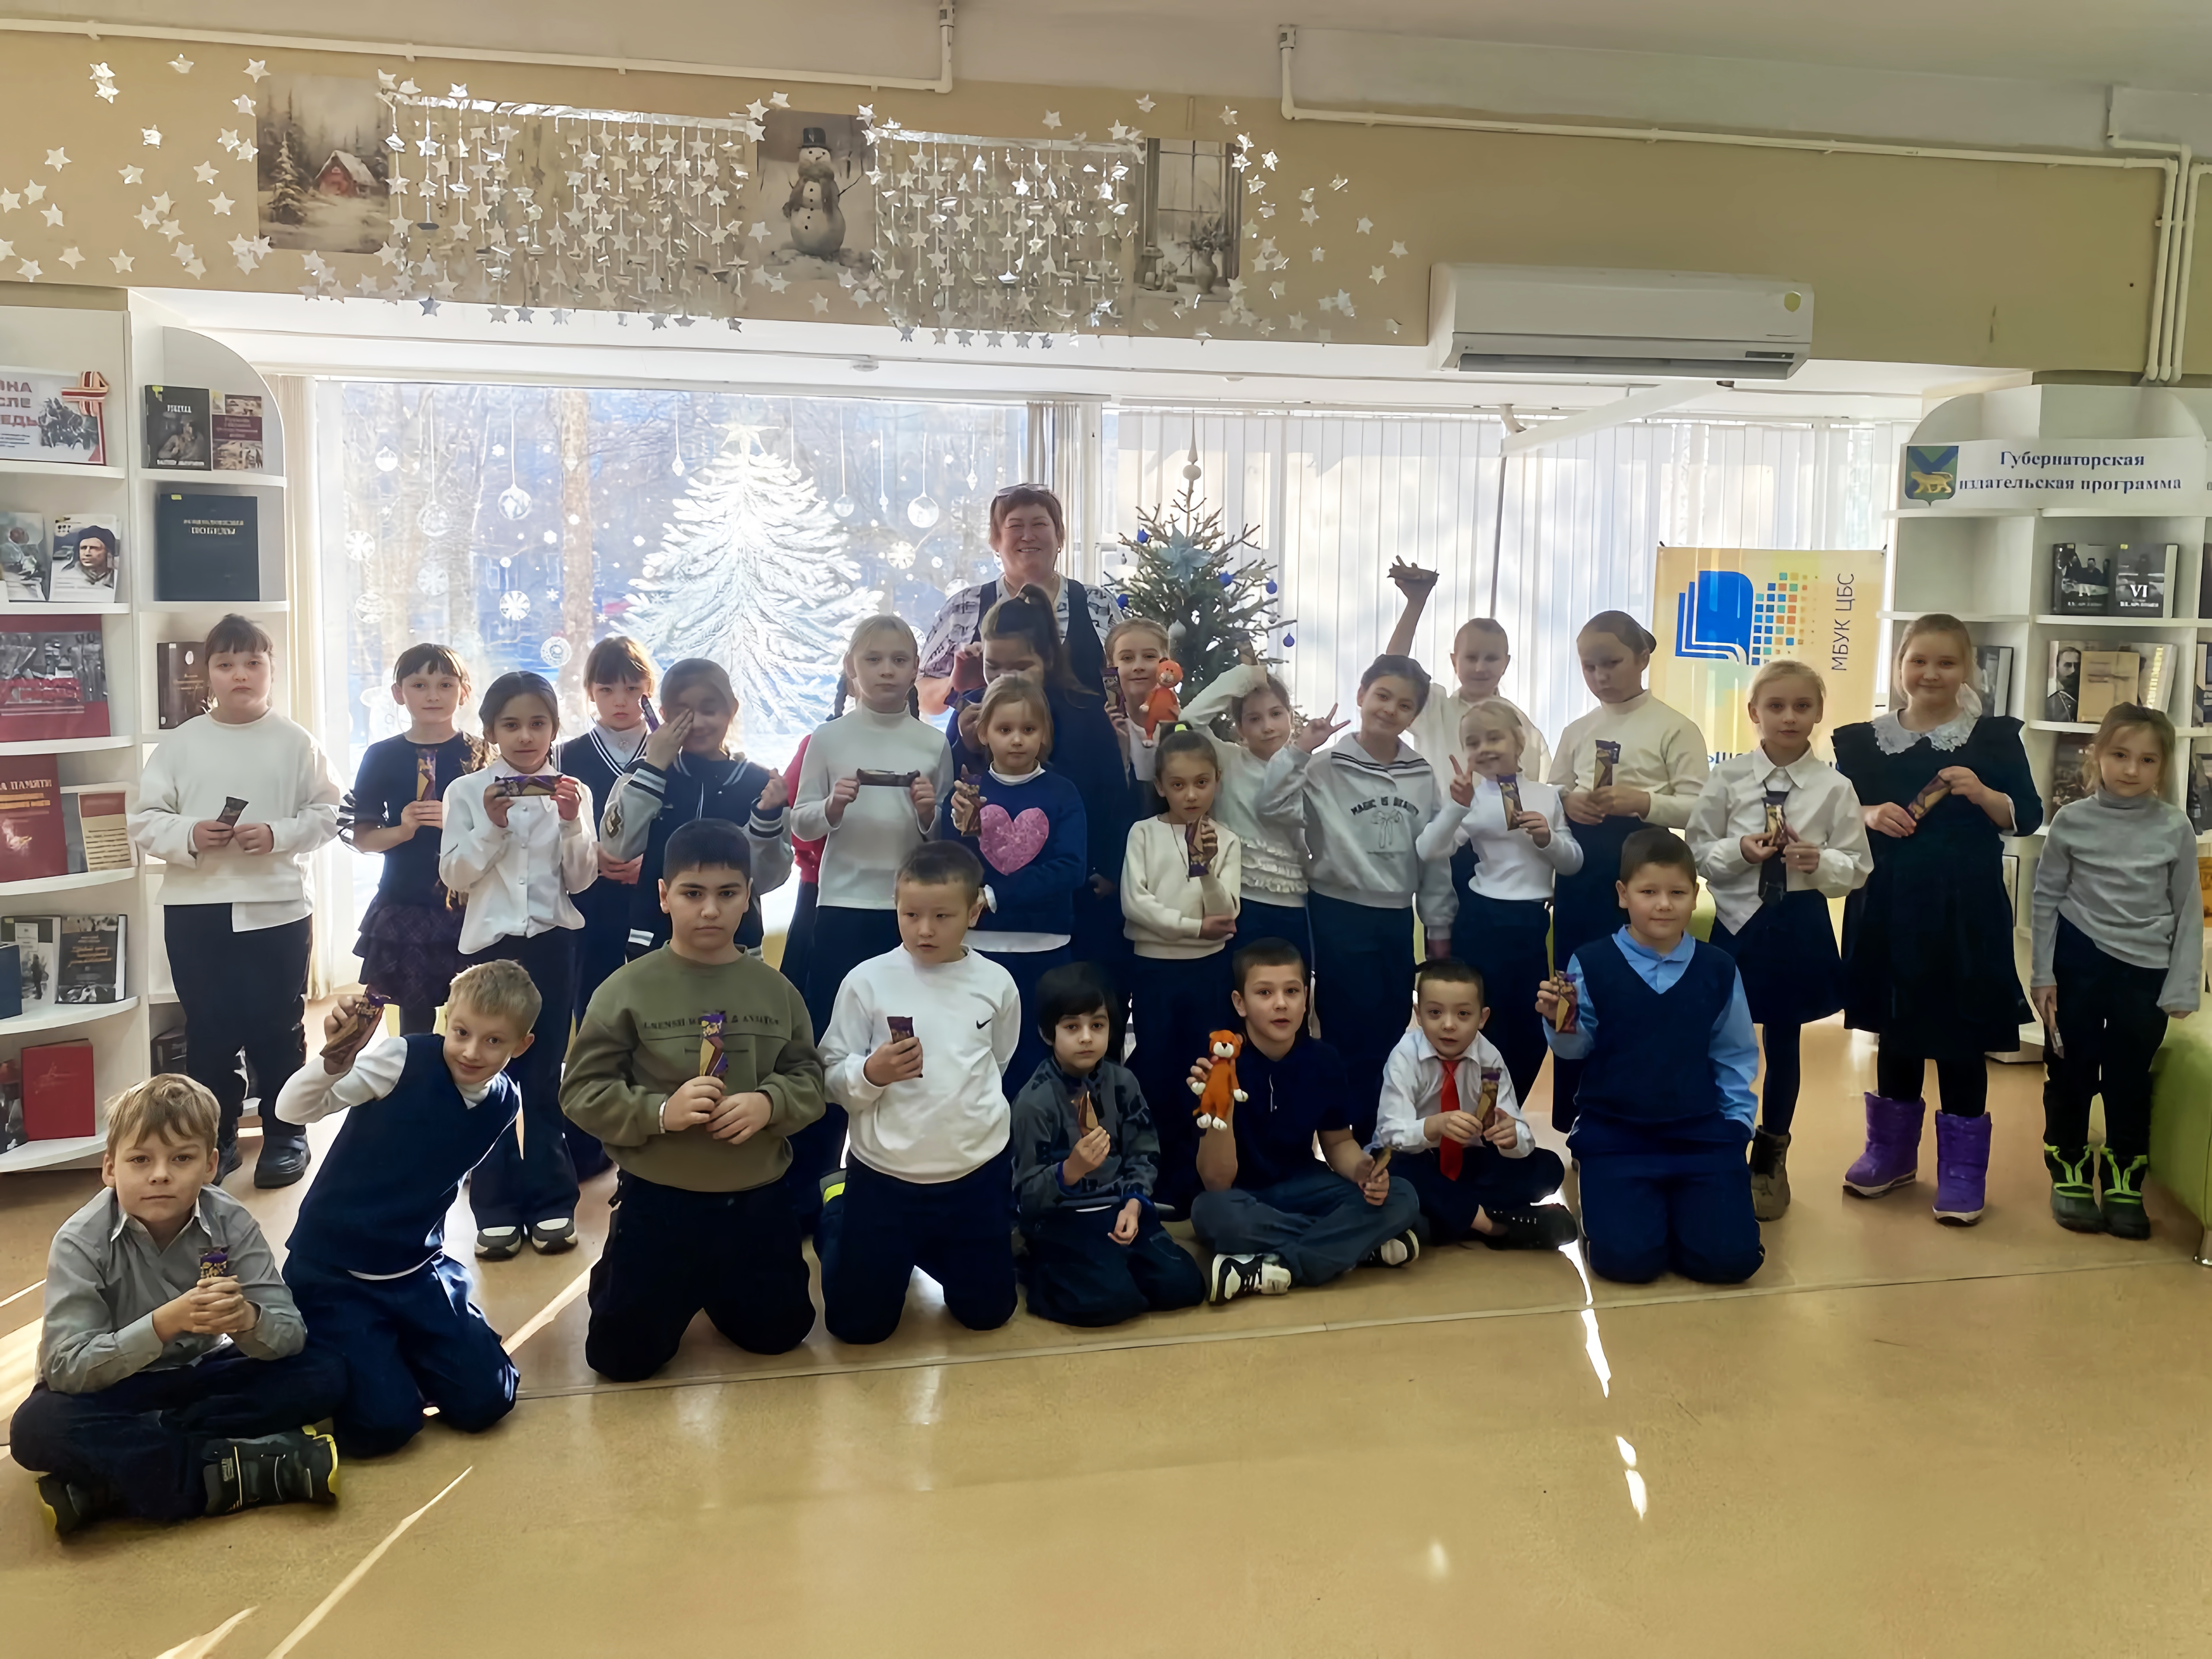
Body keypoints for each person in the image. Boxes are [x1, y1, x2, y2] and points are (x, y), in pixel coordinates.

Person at [10, 1075, 344, 1534]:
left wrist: (247, 1320)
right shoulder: (80, 1241)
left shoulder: (231, 1222)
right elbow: (67, 1368)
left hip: (199, 1376)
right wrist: (163, 1324)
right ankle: (241, 1469)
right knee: (36, 1427)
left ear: (210, 1165)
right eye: (140, 1160)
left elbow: (289, 1333)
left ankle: (111, 1479)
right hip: (115, 1387)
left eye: (182, 1158)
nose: (160, 1175)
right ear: (110, 1169)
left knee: (323, 1373)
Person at [561, 819, 826, 1379]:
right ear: (664, 896)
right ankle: (627, 1269)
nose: (710, 910)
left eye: (727, 894)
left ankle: (714, 1283)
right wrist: (659, 1112)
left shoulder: (776, 991)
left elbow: (809, 1079)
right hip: (661, 1200)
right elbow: (581, 1091)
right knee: (621, 1360)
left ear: (748, 897)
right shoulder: (626, 989)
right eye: (692, 894)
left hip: (754, 1198)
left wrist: (770, 1104)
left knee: (780, 1334)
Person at [275, 962, 536, 1457]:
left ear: (521, 1045)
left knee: (490, 1399)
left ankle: (402, 1348)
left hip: (415, 1268)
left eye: (493, 1041)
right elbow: (291, 1111)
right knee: (385, 1426)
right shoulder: (402, 1060)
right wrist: (334, 1062)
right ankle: (367, 1351)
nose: (471, 1052)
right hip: (335, 1270)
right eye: (462, 1033)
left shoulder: (504, 1102)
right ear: (445, 1021)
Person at [1834, 613, 2041, 1226]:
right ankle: (1891, 1153)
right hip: (1888, 903)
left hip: (1965, 909)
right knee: (1895, 1030)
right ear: (1899, 665)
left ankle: (1962, 1171)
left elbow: (2027, 815)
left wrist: (1982, 793)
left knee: (1960, 1037)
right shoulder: (1860, 741)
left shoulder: (1994, 738)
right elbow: (1832, 813)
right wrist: (1869, 814)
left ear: (1967, 669)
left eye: (1946, 663)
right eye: (1918, 661)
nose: (1931, 673)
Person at [127, 613, 343, 1189]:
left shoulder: (297, 742)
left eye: (253, 663)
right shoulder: (180, 744)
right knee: (210, 1031)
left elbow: (330, 814)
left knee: (279, 1027)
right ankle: (215, 1140)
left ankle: (286, 1132)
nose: (240, 675)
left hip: (278, 907)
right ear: (208, 675)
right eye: (226, 664)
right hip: (197, 908)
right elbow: (145, 820)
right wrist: (190, 834)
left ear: (272, 669)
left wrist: (278, 834)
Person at [1684, 660, 1873, 1220]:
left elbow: (1857, 868)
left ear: (1818, 713)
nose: (1789, 717)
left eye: (1801, 706)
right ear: (1754, 713)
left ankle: (1770, 1159)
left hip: (1798, 922)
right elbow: (1697, 850)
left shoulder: (1835, 788)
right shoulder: (1727, 779)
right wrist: (1739, 851)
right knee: (1717, 1038)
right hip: (1735, 924)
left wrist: (1819, 861)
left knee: (1784, 1042)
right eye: (1776, 706)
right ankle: (1715, 1147)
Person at [815, 842, 1023, 1344]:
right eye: (910, 915)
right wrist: (871, 1073)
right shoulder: (866, 981)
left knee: (988, 1315)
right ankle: (838, 1211)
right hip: (883, 1178)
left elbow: (998, 1062)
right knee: (856, 1329)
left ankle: (927, 1248)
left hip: (974, 1175)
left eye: (942, 916)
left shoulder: (996, 983)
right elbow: (828, 1074)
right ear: (895, 907)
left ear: (974, 912)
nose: (924, 930)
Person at [1538, 830, 1764, 1286]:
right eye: (1648, 893)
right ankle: (1623, 1210)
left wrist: (1736, 1127)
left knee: (1730, 1262)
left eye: (1677, 893)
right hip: (1616, 1134)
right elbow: (1575, 1050)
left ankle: (1688, 1213)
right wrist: (1560, 1024)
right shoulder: (1590, 962)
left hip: (1701, 1134)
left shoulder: (1718, 968)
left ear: (1695, 895)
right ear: (1623, 895)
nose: (1663, 905)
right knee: (1626, 1263)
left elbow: (1734, 1052)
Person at [789, 616, 950, 1226]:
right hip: (840, 910)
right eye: (874, 660)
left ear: (915, 670)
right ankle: (812, 1186)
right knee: (837, 1045)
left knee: (905, 1042)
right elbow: (800, 821)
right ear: (851, 670)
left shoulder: (932, 744)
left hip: (910, 918)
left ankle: (902, 1182)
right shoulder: (829, 739)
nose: (886, 671)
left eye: (899, 660)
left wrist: (930, 814)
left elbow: (943, 840)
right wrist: (831, 807)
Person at [438, 670, 598, 1259]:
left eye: (538, 724)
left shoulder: (573, 791)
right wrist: (492, 824)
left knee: (544, 1077)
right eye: (511, 725)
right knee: (485, 1076)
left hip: (553, 945)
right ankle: (495, 1206)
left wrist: (573, 821)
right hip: (488, 950)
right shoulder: (466, 792)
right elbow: (455, 875)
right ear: (491, 731)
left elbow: (582, 880)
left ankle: (552, 1200)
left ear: (555, 728)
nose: (525, 736)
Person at [2030, 704, 2201, 1238]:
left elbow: (2187, 909)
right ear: (2097, 756)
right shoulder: (2070, 820)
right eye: (2120, 755)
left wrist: (2182, 984)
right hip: (2078, 960)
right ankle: (2069, 1171)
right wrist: (2041, 975)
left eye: (2146, 760)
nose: (2131, 769)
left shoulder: (2174, 826)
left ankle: (2125, 1181)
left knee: (2129, 1078)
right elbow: (2044, 899)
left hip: (2144, 969)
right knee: (2071, 1071)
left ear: (2162, 767)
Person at [1545, 611, 1710, 1132]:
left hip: (1645, 872)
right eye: (1588, 666)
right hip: (1581, 872)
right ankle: (1576, 1118)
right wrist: (1567, 800)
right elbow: (1549, 791)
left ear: (1641, 658)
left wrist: (1643, 802)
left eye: (1611, 663)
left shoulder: (1674, 727)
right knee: (1576, 985)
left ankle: (1638, 1114)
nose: (1599, 676)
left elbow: (1700, 805)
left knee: (1634, 989)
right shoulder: (1577, 729)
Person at [1189, 939, 1423, 1302]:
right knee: (1210, 1212)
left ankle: (1275, 1267)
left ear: (1306, 999)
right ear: (1240, 1003)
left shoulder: (1323, 1059)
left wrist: (1363, 1171)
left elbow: (1338, 1143)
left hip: (1307, 1186)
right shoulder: (1220, 1065)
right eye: (1265, 993)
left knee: (1402, 1196)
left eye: (1292, 991)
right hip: (1246, 1196)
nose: (1281, 1004)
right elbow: (1217, 1181)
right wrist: (1221, 1106)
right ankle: (1355, 1247)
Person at [944, 583, 1132, 991]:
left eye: (1021, 667)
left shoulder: (1084, 711)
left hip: (1072, 894)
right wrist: (965, 745)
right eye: (994, 667)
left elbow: (1114, 797)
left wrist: (1111, 869)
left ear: (1047, 657)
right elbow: (955, 804)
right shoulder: (972, 711)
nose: (1005, 679)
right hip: (988, 913)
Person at [1302, 653, 1457, 1141]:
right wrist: (1295, 749)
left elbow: (1434, 854)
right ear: (1361, 696)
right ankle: (1337, 1139)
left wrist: (1438, 925)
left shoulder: (1421, 774)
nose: (1390, 710)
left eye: (1404, 705)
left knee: (1390, 1025)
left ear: (1414, 716)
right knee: (1343, 1028)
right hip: (1337, 911)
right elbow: (1277, 813)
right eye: (1382, 697)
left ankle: (1378, 1138)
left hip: (1394, 917)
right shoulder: (1323, 766)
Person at [1009, 962, 1206, 1326]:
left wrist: (1134, 1203)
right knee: (1111, 1302)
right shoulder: (1034, 1102)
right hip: (1063, 1220)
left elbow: (1144, 1152)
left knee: (1184, 1287)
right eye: (1072, 1027)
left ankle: (1113, 1266)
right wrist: (1070, 1171)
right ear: (1048, 1033)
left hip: (1120, 1209)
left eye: (1097, 1026)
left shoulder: (1123, 1083)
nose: (1087, 1038)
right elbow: (1027, 1196)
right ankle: (1037, 1268)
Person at [1414, 697, 1582, 1106]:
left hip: (1531, 924)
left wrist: (1548, 839)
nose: (1485, 748)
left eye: (1495, 738)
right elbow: (1428, 849)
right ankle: (1469, 1114)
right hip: (1481, 920)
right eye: (1473, 743)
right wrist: (1456, 807)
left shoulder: (1548, 797)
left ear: (1519, 742)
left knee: (1527, 1027)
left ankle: (1505, 1114)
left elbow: (1573, 863)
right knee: (1475, 1022)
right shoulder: (1469, 798)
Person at [939, 674, 1087, 1087]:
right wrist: (957, 828)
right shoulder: (966, 794)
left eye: (1029, 729)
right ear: (984, 732)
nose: (1017, 740)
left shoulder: (1063, 793)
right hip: (978, 950)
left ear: (1045, 734)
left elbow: (1071, 868)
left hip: (1046, 950)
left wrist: (993, 894)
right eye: (1005, 730)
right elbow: (950, 869)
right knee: (977, 1066)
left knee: (1041, 1070)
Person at [1372, 958, 1576, 1248]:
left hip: (1470, 1163)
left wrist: (1511, 1136)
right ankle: (1492, 1226)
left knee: (1549, 1168)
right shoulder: (1405, 1057)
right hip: (1421, 1160)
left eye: (1463, 1014)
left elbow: (1519, 1133)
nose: (1448, 1025)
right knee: (1390, 1168)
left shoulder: (1488, 1059)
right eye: (1435, 1013)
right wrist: (1433, 1127)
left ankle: (1444, 1218)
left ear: (1482, 1018)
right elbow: (1390, 1134)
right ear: (1418, 1014)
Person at [599, 656, 794, 959]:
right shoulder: (642, 774)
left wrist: (766, 819)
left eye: (709, 710)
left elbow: (767, 880)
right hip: (655, 944)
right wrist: (654, 768)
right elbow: (618, 847)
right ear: (663, 715)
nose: (698, 723)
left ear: (732, 710)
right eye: (684, 714)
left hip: (736, 946)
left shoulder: (760, 784)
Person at [1121, 726, 1242, 1209]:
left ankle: (1197, 1178)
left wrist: (1206, 868)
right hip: (1154, 970)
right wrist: (1192, 928)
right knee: (1157, 1069)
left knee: (1203, 1071)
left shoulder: (1226, 841)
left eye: (1201, 783)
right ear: (1160, 787)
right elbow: (1135, 905)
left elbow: (1226, 913)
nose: (1190, 795)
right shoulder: (1143, 833)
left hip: (1209, 972)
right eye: (1178, 785)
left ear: (1217, 782)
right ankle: (1154, 1175)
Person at [556, 635, 659, 1182]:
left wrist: (652, 863)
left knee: (652, 1012)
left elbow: (682, 824)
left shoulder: (668, 753)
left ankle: (649, 1126)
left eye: (632, 687)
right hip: (587, 903)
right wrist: (588, 852)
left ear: (649, 689)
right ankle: (591, 1135)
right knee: (593, 1012)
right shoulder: (565, 755)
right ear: (589, 693)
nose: (620, 700)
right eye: (606, 689)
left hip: (654, 901)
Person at [346, 643, 484, 1038]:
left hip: (471, 903)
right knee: (414, 1025)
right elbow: (363, 839)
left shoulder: (483, 753)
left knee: (476, 1015)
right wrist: (403, 829)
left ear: (464, 691)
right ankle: (415, 1076)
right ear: (398, 693)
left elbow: (502, 833)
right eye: (420, 685)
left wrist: (456, 823)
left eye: (445, 684)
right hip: (405, 901)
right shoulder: (382, 756)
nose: (433, 695)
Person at [918, 483, 1119, 715]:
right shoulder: (964, 607)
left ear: (1060, 537)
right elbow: (922, 697)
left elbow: (1128, 684)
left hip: (1088, 739)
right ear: (995, 541)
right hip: (985, 740)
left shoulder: (1097, 603)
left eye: (1040, 524)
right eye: (1015, 526)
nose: (1028, 536)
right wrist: (954, 683)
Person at [1179, 661, 1332, 957]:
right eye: (1254, 719)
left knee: (1292, 981)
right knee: (1238, 981)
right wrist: (1245, 675)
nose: (1268, 727)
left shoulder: (1309, 768)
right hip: (1238, 901)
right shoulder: (1227, 759)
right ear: (1240, 728)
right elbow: (1189, 721)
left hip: (1294, 902)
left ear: (1291, 717)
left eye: (1276, 714)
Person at [1382, 558, 1554, 785]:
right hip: (1437, 810)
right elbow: (1393, 673)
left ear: (1506, 664)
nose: (1480, 668)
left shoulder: (1523, 728)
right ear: (1455, 661)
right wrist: (1416, 603)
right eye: (1471, 658)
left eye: (1491, 659)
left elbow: (1538, 792)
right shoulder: (1435, 709)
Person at [1103, 614, 1175, 798]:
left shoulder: (1182, 720)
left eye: (1149, 656)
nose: (1138, 666)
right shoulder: (1101, 725)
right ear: (1111, 667)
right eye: (1127, 658)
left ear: (1165, 663)